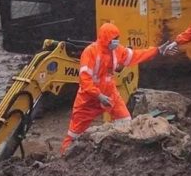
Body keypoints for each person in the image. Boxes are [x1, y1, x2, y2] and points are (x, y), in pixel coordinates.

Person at [61, 23, 170, 154]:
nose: (116, 41)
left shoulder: (117, 50)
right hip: (88, 98)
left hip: (110, 94)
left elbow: (135, 55)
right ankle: (64, 157)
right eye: (114, 38)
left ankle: (121, 152)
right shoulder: (90, 52)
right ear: (106, 38)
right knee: (74, 134)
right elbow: (85, 80)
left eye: (117, 37)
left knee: (125, 122)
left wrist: (156, 50)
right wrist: (98, 95)